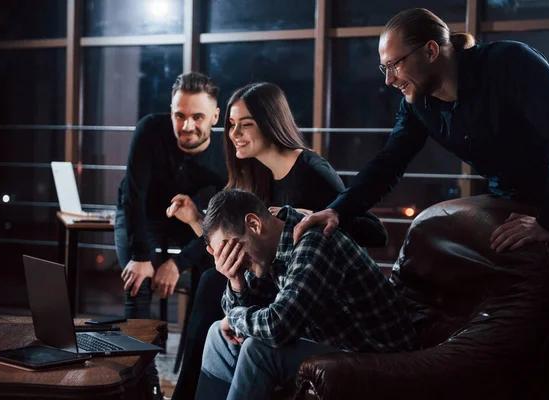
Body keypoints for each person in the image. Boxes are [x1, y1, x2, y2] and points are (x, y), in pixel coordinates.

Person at [294, 7, 549, 253]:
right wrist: (337, 210)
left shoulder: (511, 63)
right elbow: (387, 165)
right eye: (384, 69)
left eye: (394, 65)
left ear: (431, 51)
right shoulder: (417, 105)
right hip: (510, 204)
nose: (389, 80)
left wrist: (548, 221)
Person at [169, 82, 388, 399]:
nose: (235, 134)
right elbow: (237, 240)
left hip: (317, 287)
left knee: (211, 284)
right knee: (217, 285)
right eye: (231, 125)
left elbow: (374, 231)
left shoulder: (311, 170)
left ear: (271, 122)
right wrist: (195, 222)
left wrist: (310, 215)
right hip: (277, 284)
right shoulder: (253, 174)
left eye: (246, 124)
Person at [195, 189, 417, 400]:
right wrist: (235, 281)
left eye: (232, 250)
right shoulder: (268, 247)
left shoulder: (313, 241)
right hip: (339, 351)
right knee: (218, 335)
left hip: (382, 362)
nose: (232, 260)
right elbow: (239, 320)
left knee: (259, 350)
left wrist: (233, 316)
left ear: (254, 224)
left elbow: (278, 327)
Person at [114, 72, 228, 398]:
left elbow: (216, 227)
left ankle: (193, 385)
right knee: (137, 284)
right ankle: (144, 388)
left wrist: (178, 264)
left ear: (216, 117)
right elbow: (134, 196)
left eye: (198, 117)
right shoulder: (150, 129)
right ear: (171, 111)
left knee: (213, 277)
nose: (187, 125)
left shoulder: (226, 155)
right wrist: (142, 256)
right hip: (143, 215)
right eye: (179, 115)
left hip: (191, 220)